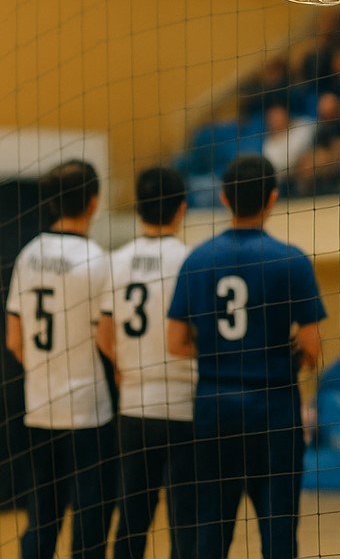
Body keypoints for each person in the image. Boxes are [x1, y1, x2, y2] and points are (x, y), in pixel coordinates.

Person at [167, 155, 326, 559]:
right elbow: (312, 347)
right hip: (273, 408)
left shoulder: (197, 260)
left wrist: (220, 355)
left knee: (212, 527)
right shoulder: (291, 260)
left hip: (214, 407)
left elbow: (176, 341)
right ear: (272, 198)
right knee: (278, 528)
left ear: (223, 198)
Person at [5, 160, 114, 559]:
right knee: (90, 516)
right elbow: (107, 340)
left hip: (39, 409)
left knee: (42, 517)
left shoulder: (27, 255)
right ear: (93, 201)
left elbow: (14, 341)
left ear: (51, 202)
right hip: (87, 412)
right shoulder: (98, 259)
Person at [96, 167, 197, 559]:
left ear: (138, 208)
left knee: (132, 520)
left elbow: (103, 334)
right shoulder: (191, 260)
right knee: (184, 521)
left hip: (134, 409)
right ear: (182, 208)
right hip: (183, 406)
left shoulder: (116, 261)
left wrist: (124, 364)